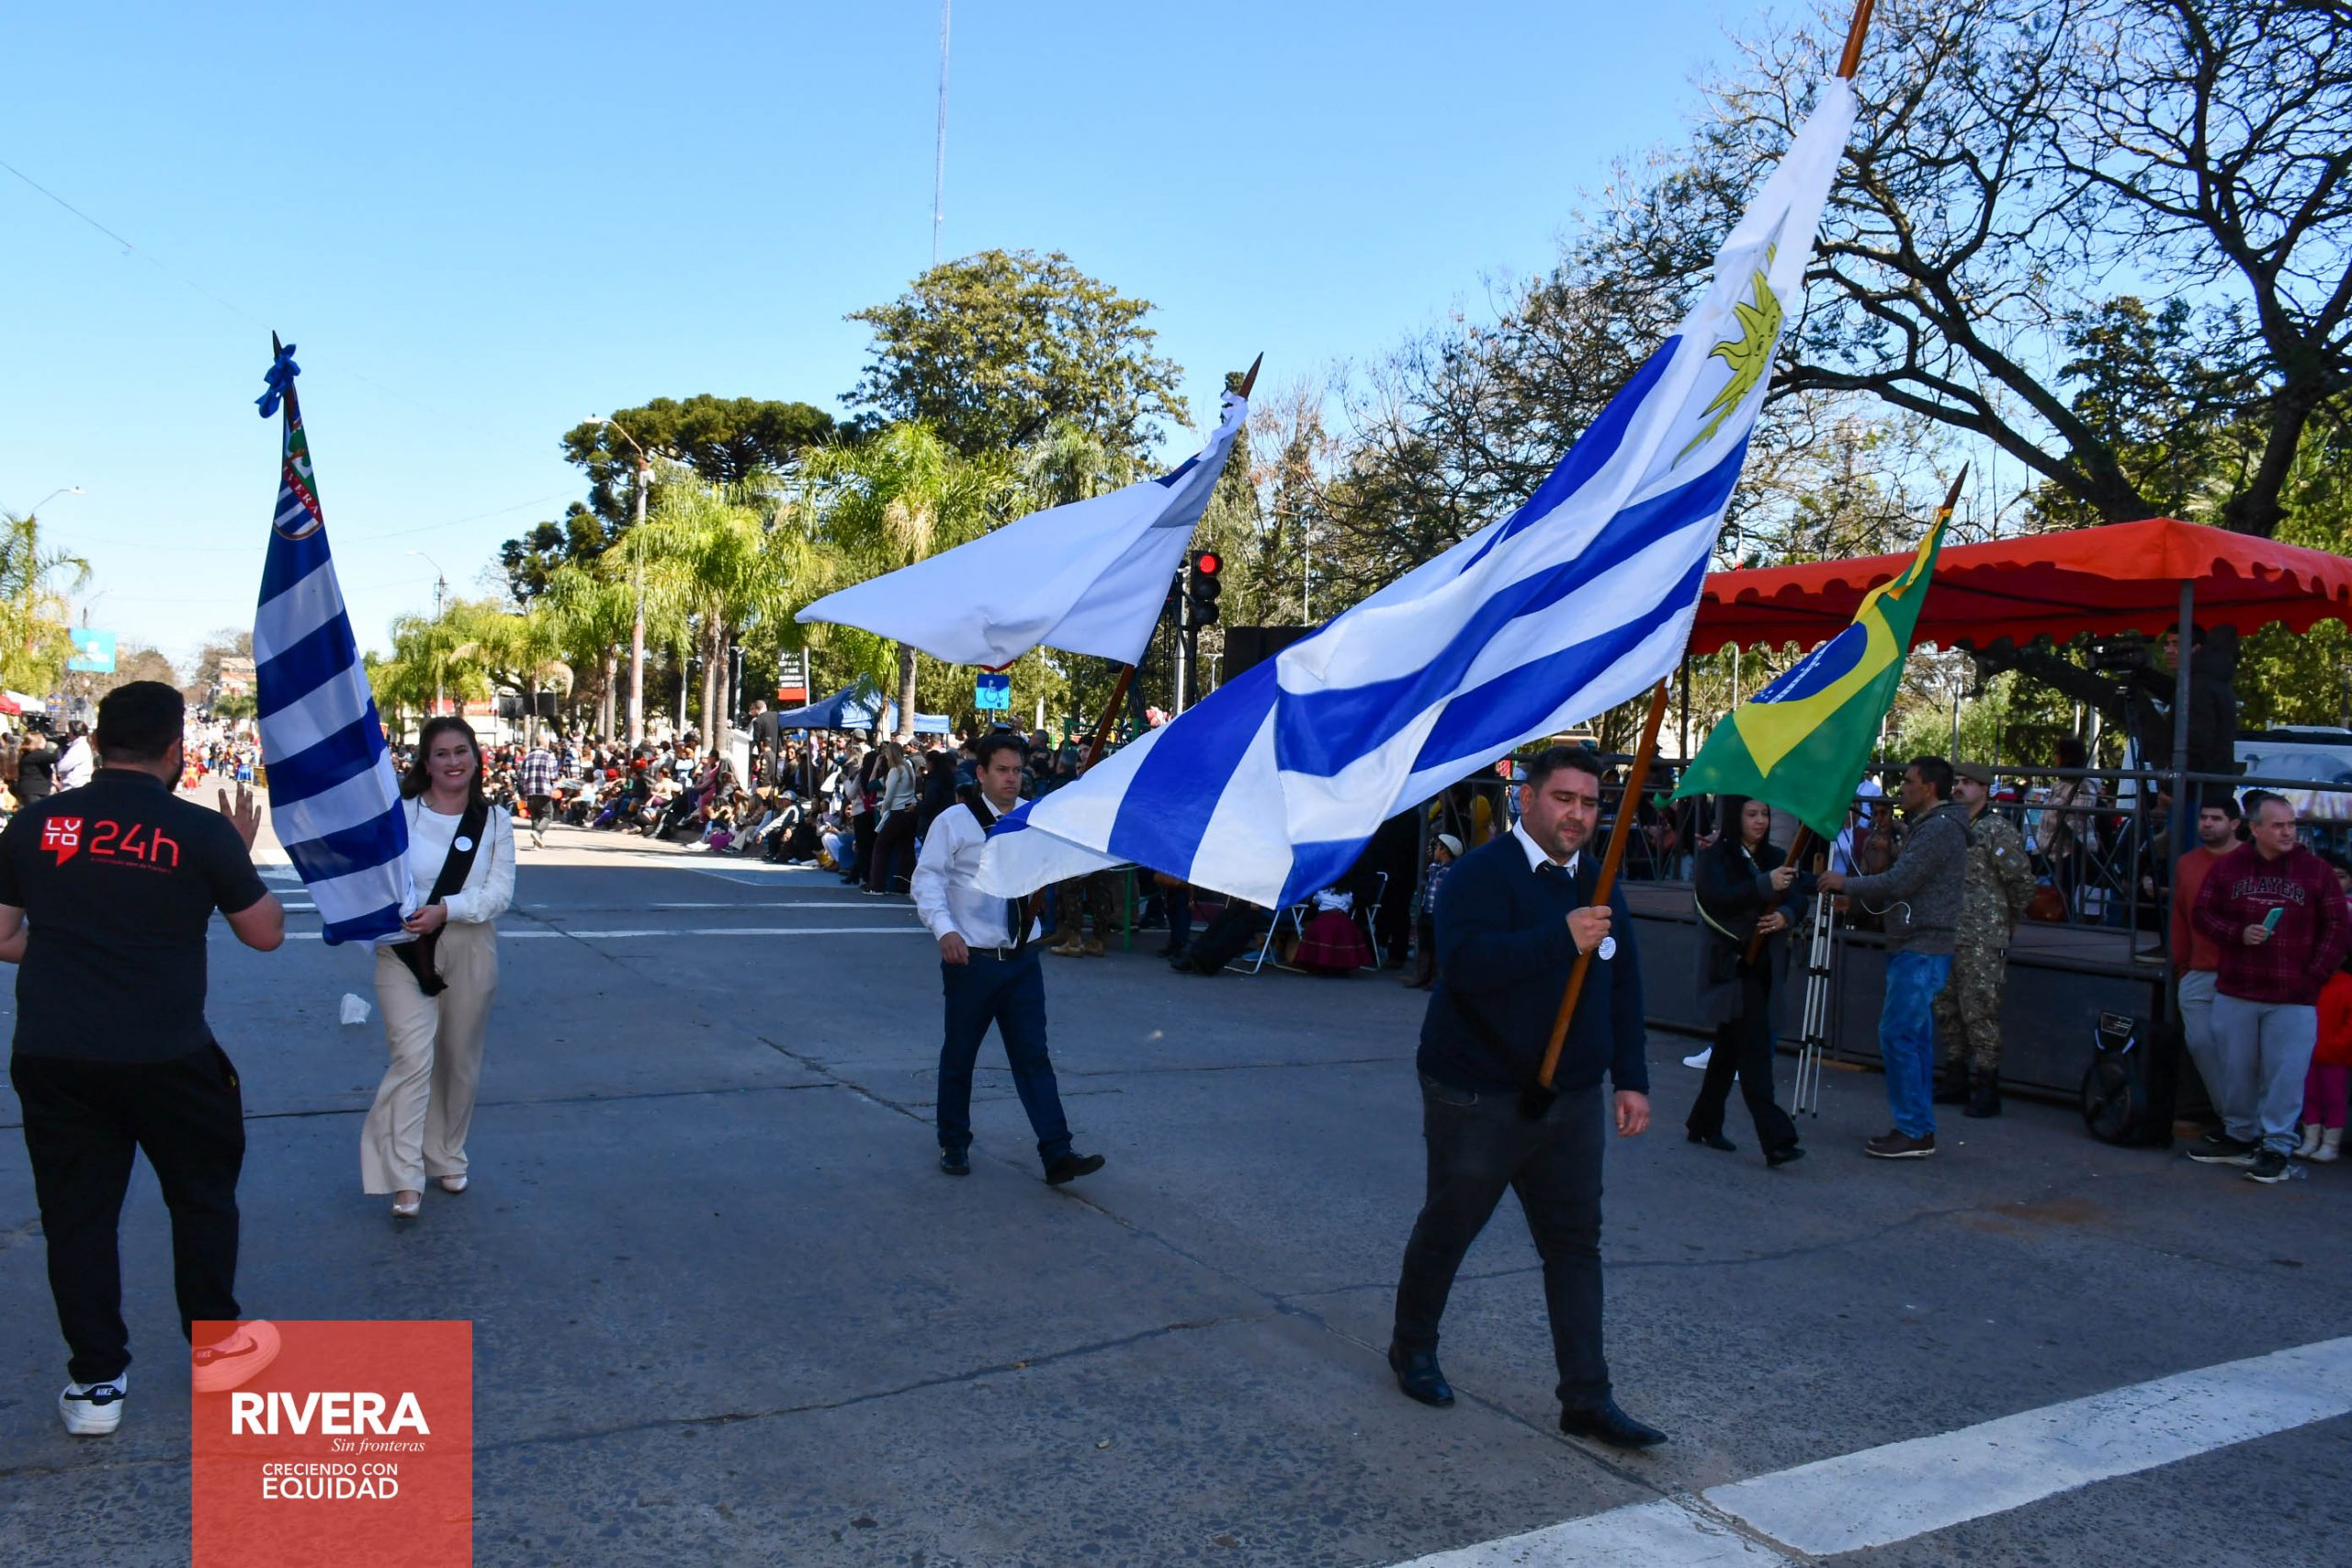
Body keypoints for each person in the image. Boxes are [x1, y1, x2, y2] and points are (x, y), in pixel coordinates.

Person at [0, 682, 288, 1436]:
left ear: (97, 744)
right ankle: (215, 1349)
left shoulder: (34, 824)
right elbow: (265, 933)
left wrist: (69, 947)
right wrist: (239, 854)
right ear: (175, 751)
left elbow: (1, 935)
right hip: (169, 1053)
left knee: (77, 1215)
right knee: (201, 1199)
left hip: (56, 1053)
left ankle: (97, 1382)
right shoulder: (200, 831)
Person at [1389, 745, 1663, 1450]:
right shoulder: (1479, 874)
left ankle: (1587, 1397)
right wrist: (1559, 937)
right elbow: (1465, 967)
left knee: (1574, 1243)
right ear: (1527, 798)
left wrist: (1631, 1077)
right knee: (1451, 1223)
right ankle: (1412, 1346)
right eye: (1563, 798)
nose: (1578, 814)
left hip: (1570, 1097)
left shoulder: (1600, 881)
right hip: (1477, 1090)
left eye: (1590, 802)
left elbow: (1624, 984)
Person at [910, 730, 1105, 1185]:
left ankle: (1057, 1151)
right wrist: (944, 929)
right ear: (981, 773)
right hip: (971, 959)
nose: (1011, 779)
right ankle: (953, 1141)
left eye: (1017, 770)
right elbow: (927, 879)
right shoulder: (956, 822)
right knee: (961, 1055)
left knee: (1033, 1056)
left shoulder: (1035, 819)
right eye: (1001, 770)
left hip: (1021, 959)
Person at [363, 716, 516, 1219]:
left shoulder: (495, 820)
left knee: (458, 1059)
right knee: (411, 1058)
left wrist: (448, 910)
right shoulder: (400, 813)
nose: (453, 762)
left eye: (461, 751)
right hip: (404, 947)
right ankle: (404, 1176)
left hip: (470, 944)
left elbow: (500, 892)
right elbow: (373, 872)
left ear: (476, 757)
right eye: (441, 754)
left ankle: (447, 1154)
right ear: (426, 764)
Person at [2188, 792, 2351, 1184]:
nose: (2287, 832)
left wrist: (2314, 975)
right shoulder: (2229, 868)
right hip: (2238, 988)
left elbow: (2338, 928)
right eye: (2278, 825)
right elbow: (2203, 914)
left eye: (2291, 824)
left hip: (2293, 995)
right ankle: (2239, 1136)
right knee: (2236, 1070)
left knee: (2286, 1074)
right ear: (2255, 828)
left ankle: (2277, 1146)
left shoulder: (2316, 872)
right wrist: (2238, 932)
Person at [1818, 758, 1970, 1160]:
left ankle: (1913, 1129)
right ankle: (1917, 1126)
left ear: (1929, 788)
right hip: (1918, 942)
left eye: (1908, 781)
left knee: (1899, 1034)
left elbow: (1900, 881)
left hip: (1921, 945)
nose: (1902, 788)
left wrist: (1846, 883)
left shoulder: (1938, 828)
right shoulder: (1935, 826)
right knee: (1912, 1037)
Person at [1685, 795, 1805, 1167]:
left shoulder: (1775, 856)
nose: (1760, 821)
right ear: (1735, 816)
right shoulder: (1715, 857)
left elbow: (1797, 898)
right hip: (1731, 964)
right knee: (1754, 1051)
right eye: (1752, 813)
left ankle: (1703, 1121)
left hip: (1765, 964)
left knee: (1729, 1048)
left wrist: (1786, 915)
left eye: (1765, 813)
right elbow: (1717, 899)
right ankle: (1777, 1139)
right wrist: (1764, 885)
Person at [1930, 761, 2037, 1118]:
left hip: (1982, 938)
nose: (1959, 788)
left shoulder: (1996, 830)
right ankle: (1955, 1076)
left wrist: (2006, 922)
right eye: (1957, 782)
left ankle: (1987, 1085)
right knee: (1947, 1007)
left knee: (1979, 1010)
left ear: (1985, 789)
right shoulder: (1948, 826)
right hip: (1947, 932)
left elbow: (2022, 884)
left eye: (1968, 783)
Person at [2174, 794, 2242, 1155]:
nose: (2207, 824)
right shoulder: (2187, 863)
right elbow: (2180, 915)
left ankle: (2241, 1126)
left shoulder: (2252, 861)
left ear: (2235, 824)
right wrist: (2182, 965)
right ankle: (2235, 1120)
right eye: (2203, 818)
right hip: (2198, 970)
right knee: (2201, 1042)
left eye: (2215, 818)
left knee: (2241, 1052)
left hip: (2241, 971)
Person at [2301, 951, 2352, 1162]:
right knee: (2309, 1097)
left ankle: (2330, 1145)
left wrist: (2337, 1046)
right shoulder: (2313, 983)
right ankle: (2310, 1141)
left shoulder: (2347, 985)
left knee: (2334, 1099)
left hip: (2336, 1058)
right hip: (2311, 1053)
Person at [1403, 833, 1463, 990]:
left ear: (1444, 850)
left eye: (1437, 847)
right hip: (1428, 910)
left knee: (1437, 946)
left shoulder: (1453, 870)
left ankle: (1435, 979)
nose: (1434, 850)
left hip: (1441, 914)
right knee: (1425, 943)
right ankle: (1422, 975)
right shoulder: (1434, 867)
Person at [517, 735, 559, 851]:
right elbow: (553, 775)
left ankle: (536, 844)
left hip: (530, 790)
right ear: (545, 744)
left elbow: (522, 776)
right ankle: (538, 832)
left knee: (535, 816)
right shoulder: (549, 756)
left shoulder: (528, 756)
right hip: (544, 789)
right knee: (548, 814)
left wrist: (521, 791)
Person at [55, 720, 96, 792]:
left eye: (69, 731)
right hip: (78, 785)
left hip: (75, 785)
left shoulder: (79, 746)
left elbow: (62, 766)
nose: (68, 734)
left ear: (74, 732)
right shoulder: (82, 744)